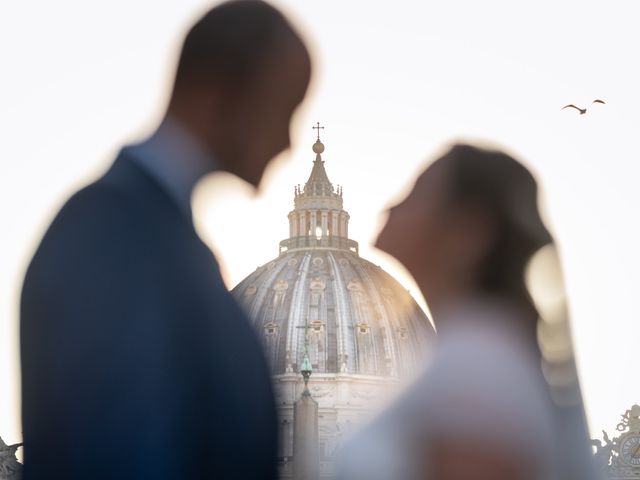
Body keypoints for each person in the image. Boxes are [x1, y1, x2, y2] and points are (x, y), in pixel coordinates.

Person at [20, 2, 311, 479]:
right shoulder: (108, 232)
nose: (287, 141)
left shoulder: (166, 238)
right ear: (218, 91)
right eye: (284, 109)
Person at [336, 144, 597, 480]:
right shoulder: (483, 349)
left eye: (415, 192)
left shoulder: (475, 365)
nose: (392, 204)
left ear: (466, 232)